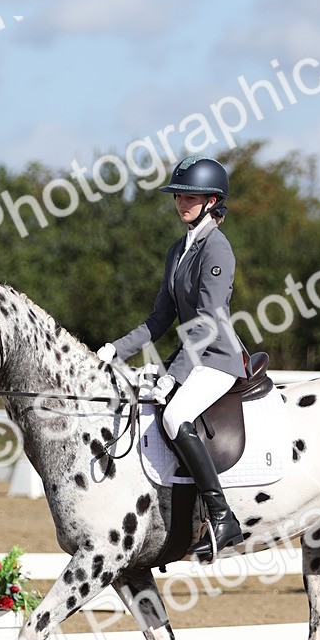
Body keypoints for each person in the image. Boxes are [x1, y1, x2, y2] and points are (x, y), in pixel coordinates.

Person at [97, 155, 246, 560]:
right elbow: (160, 318)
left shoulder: (218, 249)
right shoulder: (178, 250)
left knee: (174, 415)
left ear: (213, 201)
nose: (182, 203)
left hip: (217, 358)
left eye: (191, 197)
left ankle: (221, 515)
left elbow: (209, 322)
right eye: (179, 196)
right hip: (190, 354)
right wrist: (115, 350)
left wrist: (173, 373)